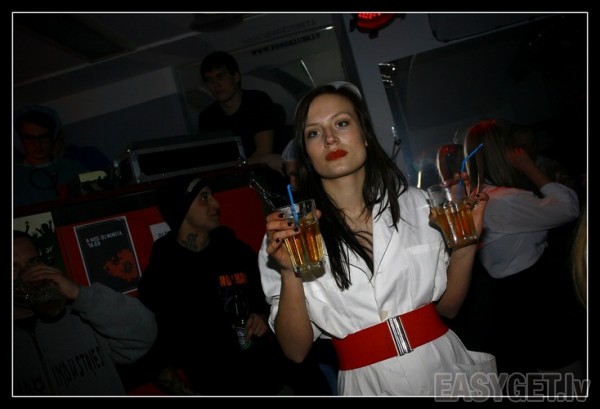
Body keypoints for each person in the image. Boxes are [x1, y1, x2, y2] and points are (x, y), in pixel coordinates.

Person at [258, 82, 496, 396]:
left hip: (446, 370)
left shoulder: (420, 205)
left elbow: (449, 308)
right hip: (367, 385)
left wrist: (465, 245)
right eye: (314, 133)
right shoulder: (291, 235)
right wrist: (290, 273)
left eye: (341, 123)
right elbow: (295, 351)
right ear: (306, 153)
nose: (330, 139)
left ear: (366, 135)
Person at [136, 175, 330, 395]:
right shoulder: (162, 275)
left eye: (212, 196)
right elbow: (150, 354)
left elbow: (274, 296)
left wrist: (263, 317)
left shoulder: (233, 249)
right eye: (204, 198)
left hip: (277, 380)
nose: (215, 204)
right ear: (181, 208)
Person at [463, 119, 584, 391]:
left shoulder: (479, 196)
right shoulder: (504, 200)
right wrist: (530, 167)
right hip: (536, 300)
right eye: (513, 146)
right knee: (567, 382)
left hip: (510, 301)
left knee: (545, 381)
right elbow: (569, 207)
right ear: (503, 152)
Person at [13, 230, 158, 396]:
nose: (27, 275)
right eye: (13, 268)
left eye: (32, 263)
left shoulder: (82, 313)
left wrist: (79, 294)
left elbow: (144, 334)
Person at [197, 51, 285, 179]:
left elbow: (265, 152)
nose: (216, 85)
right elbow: (215, 165)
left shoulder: (257, 101)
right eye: (209, 80)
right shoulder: (207, 118)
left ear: (236, 76)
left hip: (268, 177)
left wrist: (236, 166)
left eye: (221, 76)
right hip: (232, 181)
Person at [13, 108, 88, 207]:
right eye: (29, 138)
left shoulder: (73, 169)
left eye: (43, 137)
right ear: (19, 139)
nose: (37, 144)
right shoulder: (16, 178)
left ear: (53, 137)